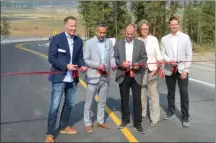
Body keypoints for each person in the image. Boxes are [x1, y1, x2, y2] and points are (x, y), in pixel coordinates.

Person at [46, 16, 87, 142]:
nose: (73, 28)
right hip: (59, 78)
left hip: (72, 79)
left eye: (75, 26)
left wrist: (82, 66)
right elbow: (51, 58)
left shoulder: (79, 41)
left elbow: (79, 57)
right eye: (71, 26)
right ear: (66, 26)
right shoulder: (57, 39)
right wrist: (66, 66)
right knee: (54, 107)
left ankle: (64, 126)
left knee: (69, 104)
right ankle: (50, 133)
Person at [114, 23, 148, 133]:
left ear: (135, 33)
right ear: (125, 32)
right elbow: (115, 58)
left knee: (137, 99)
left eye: (131, 34)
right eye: (127, 34)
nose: (129, 36)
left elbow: (144, 57)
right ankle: (125, 120)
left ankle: (138, 123)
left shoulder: (140, 43)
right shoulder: (118, 44)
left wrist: (139, 63)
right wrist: (121, 63)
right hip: (123, 74)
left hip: (136, 74)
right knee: (124, 98)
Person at [83, 22, 116, 133]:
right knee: (89, 102)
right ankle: (88, 123)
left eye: (104, 32)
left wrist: (113, 64)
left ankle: (100, 121)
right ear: (96, 31)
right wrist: (98, 66)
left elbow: (111, 56)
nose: (102, 34)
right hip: (93, 77)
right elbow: (86, 60)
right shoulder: (89, 43)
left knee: (102, 101)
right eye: (100, 32)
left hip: (105, 77)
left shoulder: (108, 42)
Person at [160, 16, 192, 127]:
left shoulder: (185, 37)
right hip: (170, 69)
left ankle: (185, 117)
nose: (174, 26)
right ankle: (171, 111)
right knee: (170, 92)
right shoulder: (164, 39)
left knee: (184, 94)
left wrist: (186, 70)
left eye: (175, 24)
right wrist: (169, 60)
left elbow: (189, 54)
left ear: (178, 25)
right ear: (169, 25)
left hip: (182, 69)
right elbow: (162, 54)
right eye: (172, 24)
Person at [137, 19, 163, 127]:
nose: (145, 30)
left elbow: (158, 52)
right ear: (139, 29)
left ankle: (155, 117)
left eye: (146, 28)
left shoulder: (153, 39)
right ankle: (142, 114)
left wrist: (160, 60)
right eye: (143, 28)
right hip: (141, 70)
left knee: (153, 94)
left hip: (152, 69)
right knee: (142, 93)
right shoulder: (137, 40)